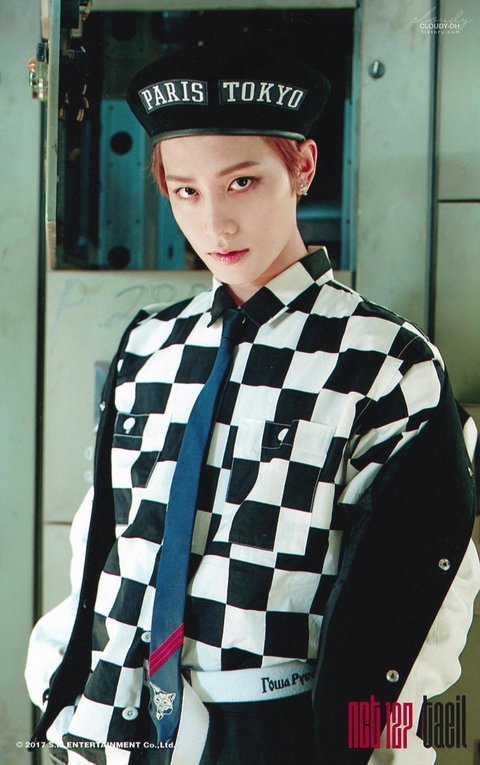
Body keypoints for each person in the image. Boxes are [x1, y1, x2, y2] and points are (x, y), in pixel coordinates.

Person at [25, 41, 480, 765]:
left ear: (302, 167)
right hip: (122, 718)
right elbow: (105, 541)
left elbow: (424, 604)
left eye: (241, 182)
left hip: (276, 729)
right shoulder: (149, 344)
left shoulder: (387, 361)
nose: (216, 224)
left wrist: (380, 751)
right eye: (186, 191)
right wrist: (65, 696)